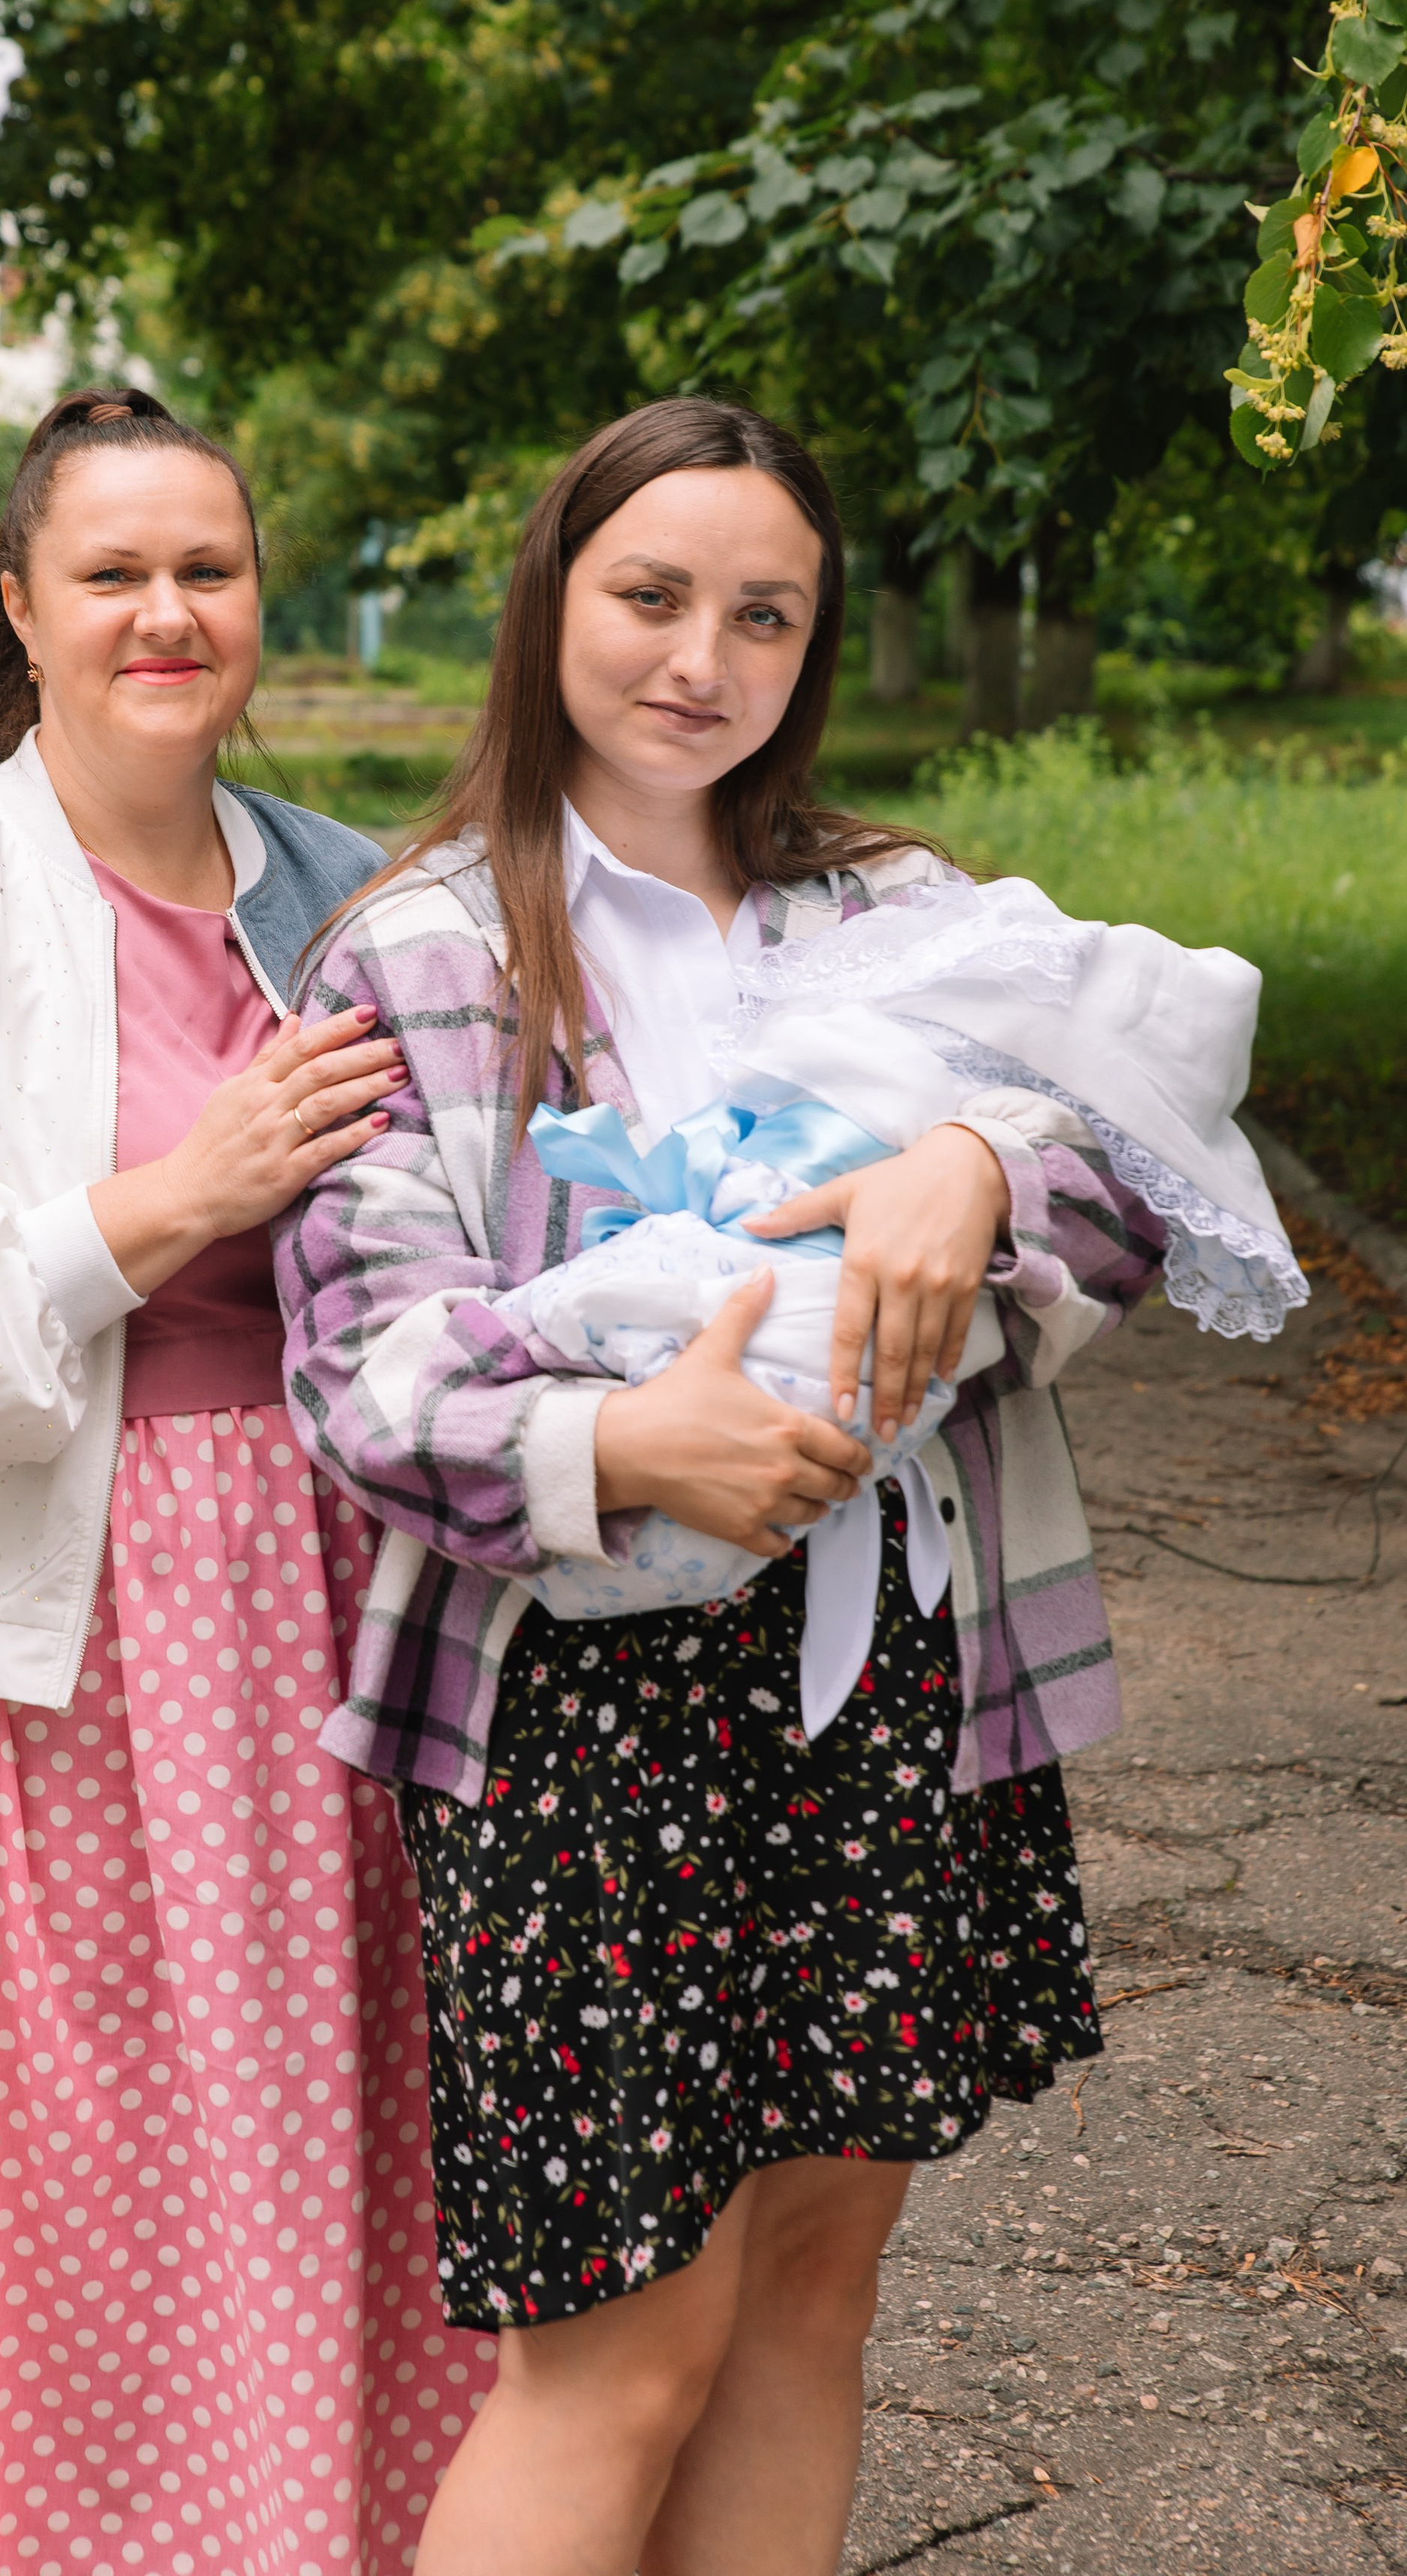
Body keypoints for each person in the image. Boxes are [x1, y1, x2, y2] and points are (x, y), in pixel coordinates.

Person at [274, 398, 1201, 2576]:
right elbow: (361, 1364)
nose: (703, 657)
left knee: (811, 2297)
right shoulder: (415, 948)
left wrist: (978, 1163)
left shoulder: (903, 913)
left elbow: (1145, 1182)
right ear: (551, 602)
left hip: (888, 1684)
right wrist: (619, 1434)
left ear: (814, 643)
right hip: (587, 1725)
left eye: (763, 614)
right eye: (652, 596)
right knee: (617, 2357)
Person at [0, 388, 495, 2576]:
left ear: (262, 604)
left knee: (356, 2158)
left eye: (210, 570)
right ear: (22, 610)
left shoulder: (345, 892)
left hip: (343, 1604)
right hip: (58, 1645)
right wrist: (158, 1207)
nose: (169, 611)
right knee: (98, 2197)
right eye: (116, 572)